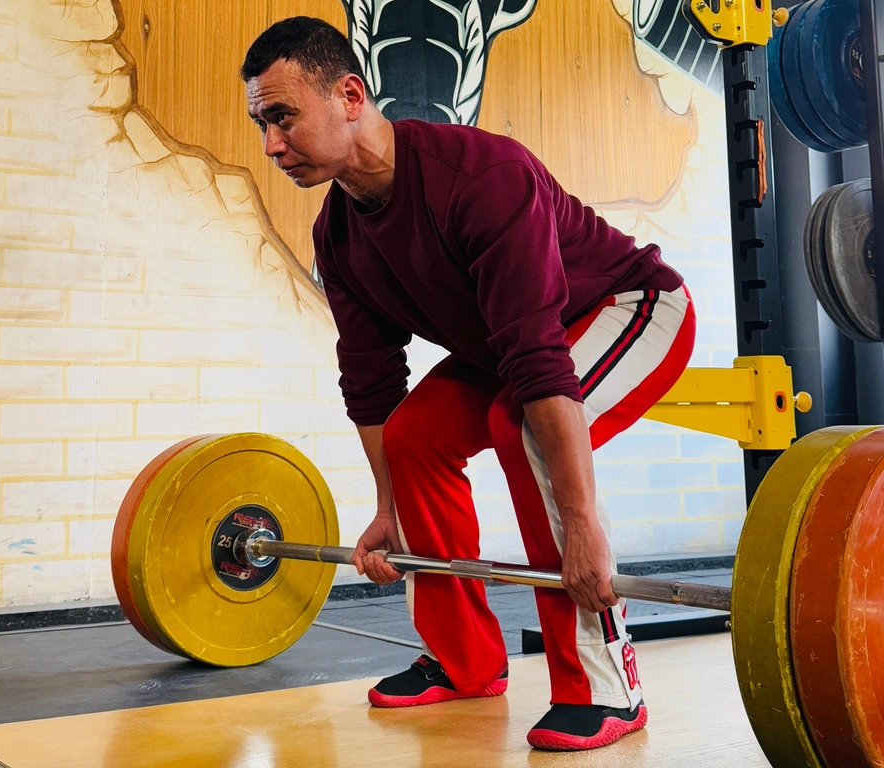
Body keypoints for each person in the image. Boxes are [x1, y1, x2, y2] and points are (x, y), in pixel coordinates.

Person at [240, 16, 695, 752]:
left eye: (283, 117)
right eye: (263, 123)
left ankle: (607, 685)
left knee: (518, 421)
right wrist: (391, 508)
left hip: (628, 307)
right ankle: (463, 659)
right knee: (418, 437)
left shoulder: (480, 177)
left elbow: (538, 359)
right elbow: (374, 384)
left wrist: (582, 525)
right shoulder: (339, 236)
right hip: (512, 347)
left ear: (350, 95)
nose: (270, 144)